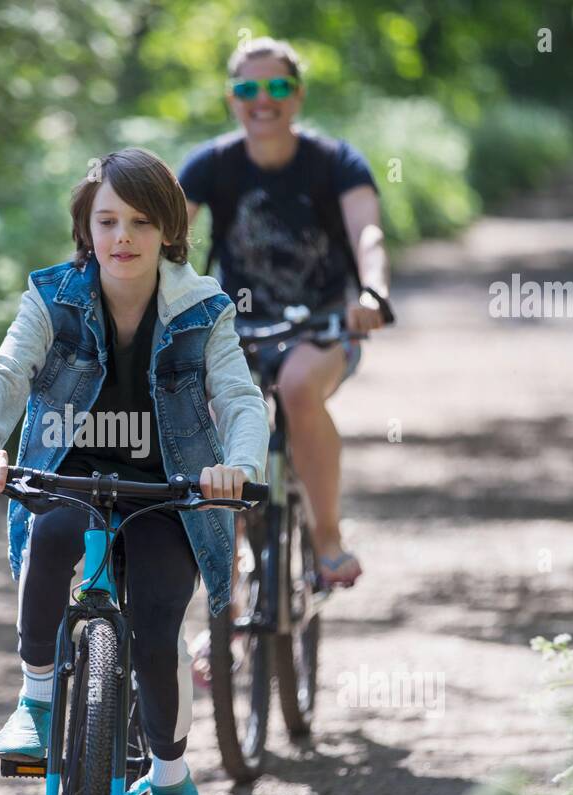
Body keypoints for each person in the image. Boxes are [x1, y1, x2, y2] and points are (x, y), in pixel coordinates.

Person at [0, 147, 268, 795]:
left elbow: (239, 396)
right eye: (107, 221)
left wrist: (237, 467)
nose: (122, 236)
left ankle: (172, 779)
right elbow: (7, 370)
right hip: (74, 473)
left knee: (158, 629)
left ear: (168, 232)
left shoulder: (203, 309)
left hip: (170, 488)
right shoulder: (53, 297)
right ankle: (35, 700)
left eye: (140, 221)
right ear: (85, 229)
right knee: (53, 534)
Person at [179, 36, 393, 589]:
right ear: (232, 99)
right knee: (216, 413)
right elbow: (162, 235)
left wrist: (371, 293)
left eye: (277, 87)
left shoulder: (334, 162)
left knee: (298, 389)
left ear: (297, 97)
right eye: (248, 88)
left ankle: (326, 537)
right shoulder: (213, 165)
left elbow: (367, 232)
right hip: (239, 329)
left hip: (324, 324)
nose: (262, 100)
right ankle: (226, 589)